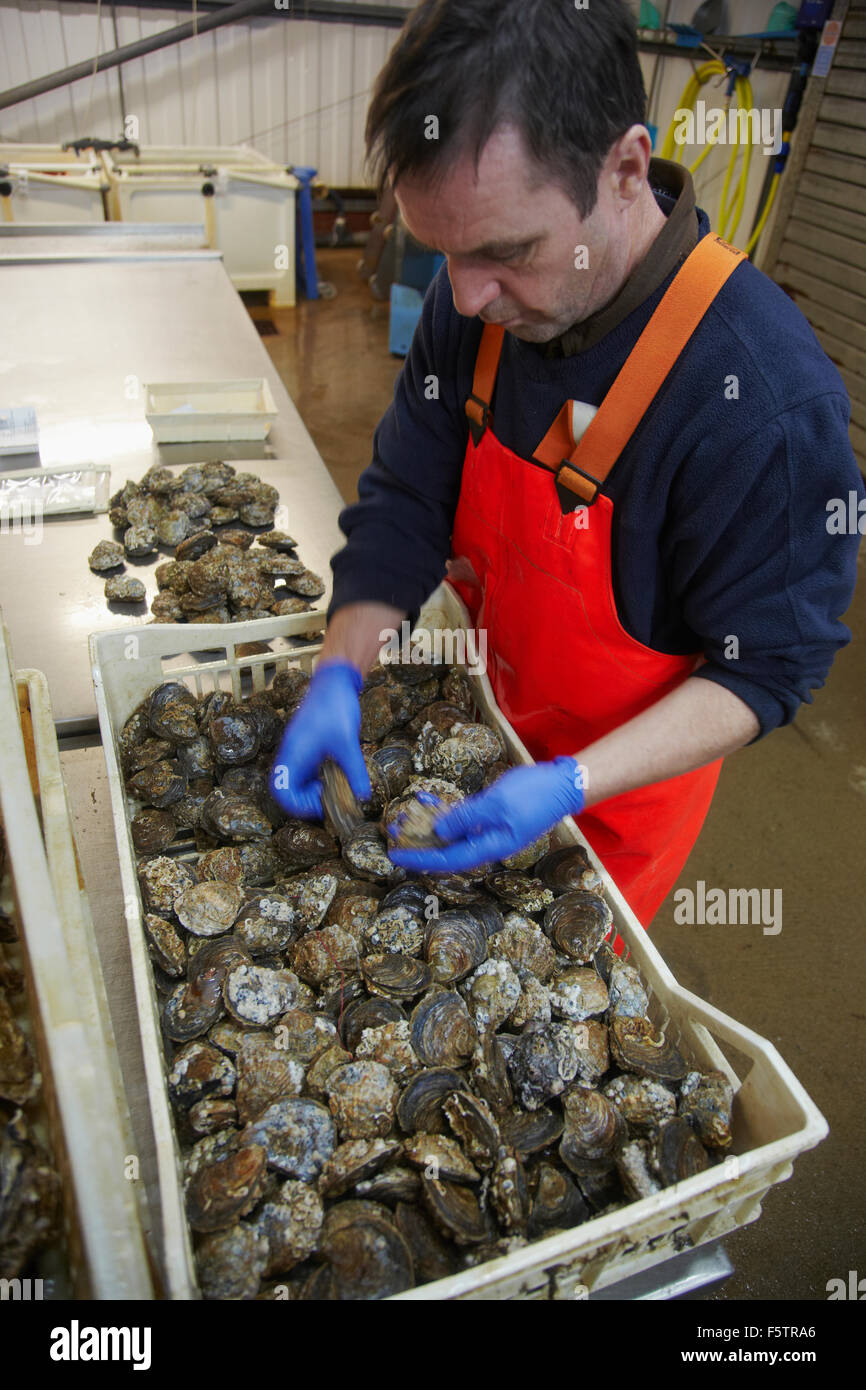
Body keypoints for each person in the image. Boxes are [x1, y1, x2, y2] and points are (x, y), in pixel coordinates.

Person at [270, 0, 863, 928]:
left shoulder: (763, 403)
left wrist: (571, 782)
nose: (465, 298)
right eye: (444, 255)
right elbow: (405, 502)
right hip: (466, 726)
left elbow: (770, 667)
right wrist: (341, 669)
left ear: (624, 167)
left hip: (612, 804)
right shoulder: (476, 302)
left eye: (506, 252)